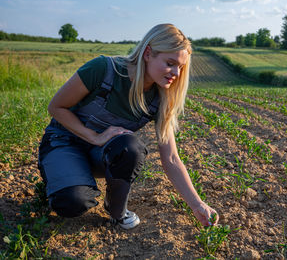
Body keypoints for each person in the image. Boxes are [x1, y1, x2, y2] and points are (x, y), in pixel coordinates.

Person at [38, 23, 219, 229]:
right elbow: (56, 107)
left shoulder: (160, 98)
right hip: (63, 143)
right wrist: (94, 137)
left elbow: (170, 157)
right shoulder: (103, 70)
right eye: (170, 63)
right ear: (148, 53)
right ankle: (58, 179)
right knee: (71, 203)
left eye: (181, 67)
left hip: (99, 155)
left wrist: (197, 204)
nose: (176, 73)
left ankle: (116, 211)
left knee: (130, 148)